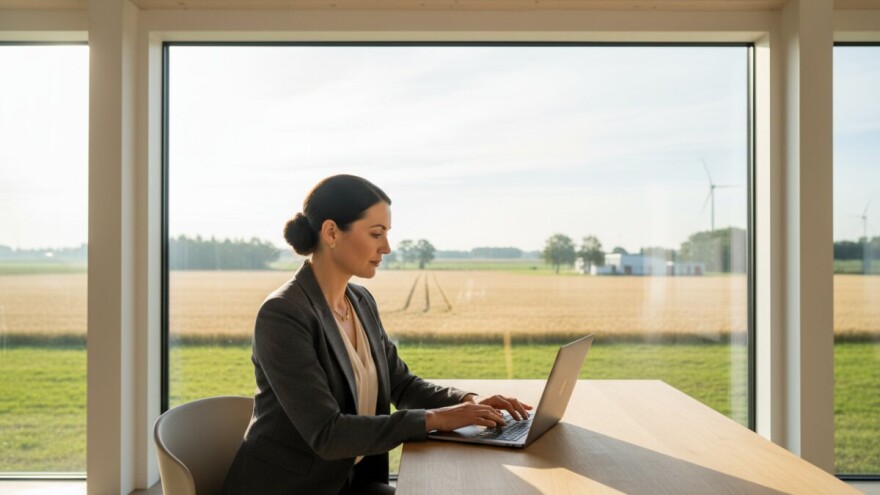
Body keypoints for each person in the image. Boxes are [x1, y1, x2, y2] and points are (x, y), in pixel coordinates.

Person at [222, 175, 532, 495]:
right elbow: (327, 434)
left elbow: (401, 384)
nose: (386, 247)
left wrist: (469, 403)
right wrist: (438, 418)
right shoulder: (283, 314)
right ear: (331, 232)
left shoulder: (360, 301)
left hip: (351, 484)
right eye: (376, 234)